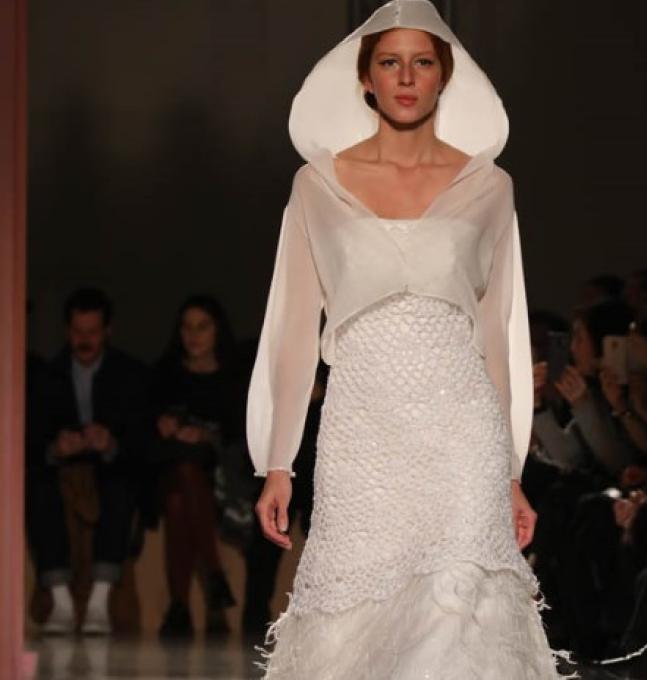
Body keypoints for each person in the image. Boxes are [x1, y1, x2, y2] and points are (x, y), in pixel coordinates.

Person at [246, 1, 575, 677]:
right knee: (354, 624)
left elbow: (499, 332)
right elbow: (294, 328)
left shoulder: (488, 185)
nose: (405, 77)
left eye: (422, 62)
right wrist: (277, 460)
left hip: (462, 434)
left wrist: (511, 471)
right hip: (362, 433)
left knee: (457, 619)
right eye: (390, 62)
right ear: (365, 78)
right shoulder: (317, 184)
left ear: (443, 75)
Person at [25, 288, 148, 635]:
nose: (85, 340)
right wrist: (56, 447)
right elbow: (31, 440)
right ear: (67, 331)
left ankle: (99, 600)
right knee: (39, 488)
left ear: (107, 331)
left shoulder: (129, 374)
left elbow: (141, 440)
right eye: (78, 331)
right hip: (60, 470)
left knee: (121, 485)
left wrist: (110, 443)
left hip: (112, 468)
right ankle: (60, 601)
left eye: (92, 332)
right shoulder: (47, 375)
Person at [150, 295, 240, 636]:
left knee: (179, 500)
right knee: (180, 483)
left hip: (223, 478)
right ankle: (215, 579)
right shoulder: (166, 373)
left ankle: (179, 607)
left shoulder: (232, 376)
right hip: (169, 470)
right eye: (187, 327)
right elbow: (146, 424)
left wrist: (205, 435)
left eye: (202, 327)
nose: (194, 335)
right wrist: (164, 425)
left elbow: (240, 433)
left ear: (217, 330)